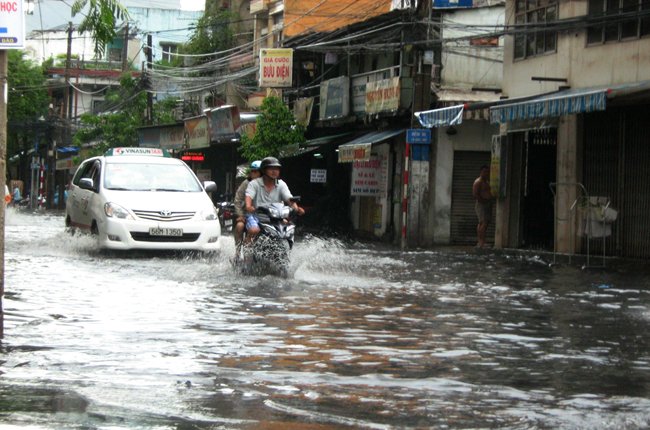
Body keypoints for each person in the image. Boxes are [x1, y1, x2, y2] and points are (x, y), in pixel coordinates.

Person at [244, 156, 304, 244]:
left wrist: (297, 209)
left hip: (276, 218)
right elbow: (248, 197)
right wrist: (248, 206)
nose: (274, 171)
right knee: (254, 230)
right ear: (264, 170)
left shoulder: (281, 184)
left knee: (288, 230)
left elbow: (289, 199)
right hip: (257, 216)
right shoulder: (254, 184)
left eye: (277, 169)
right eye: (271, 168)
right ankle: (247, 252)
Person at [233, 160, 262, 258]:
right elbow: (238, 200)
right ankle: (237, 253)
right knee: (240, 226)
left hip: (264, 214)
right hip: (247, 214)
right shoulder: (246, 183)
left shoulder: (267, 183)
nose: (254, 174)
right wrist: (240, 215)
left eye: (256, 171)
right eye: (252, 171)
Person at [472, 165, 493, 248]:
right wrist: (482, 201)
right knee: (483, 223)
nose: (486, 173)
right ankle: (481, 242)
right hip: (482, 204)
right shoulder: (478, 182)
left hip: (487, 204)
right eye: (484, 172)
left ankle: (481, 242)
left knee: (484, 223)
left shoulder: (486, 181)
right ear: (481, 172)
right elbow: (475, 194)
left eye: (487, 172)